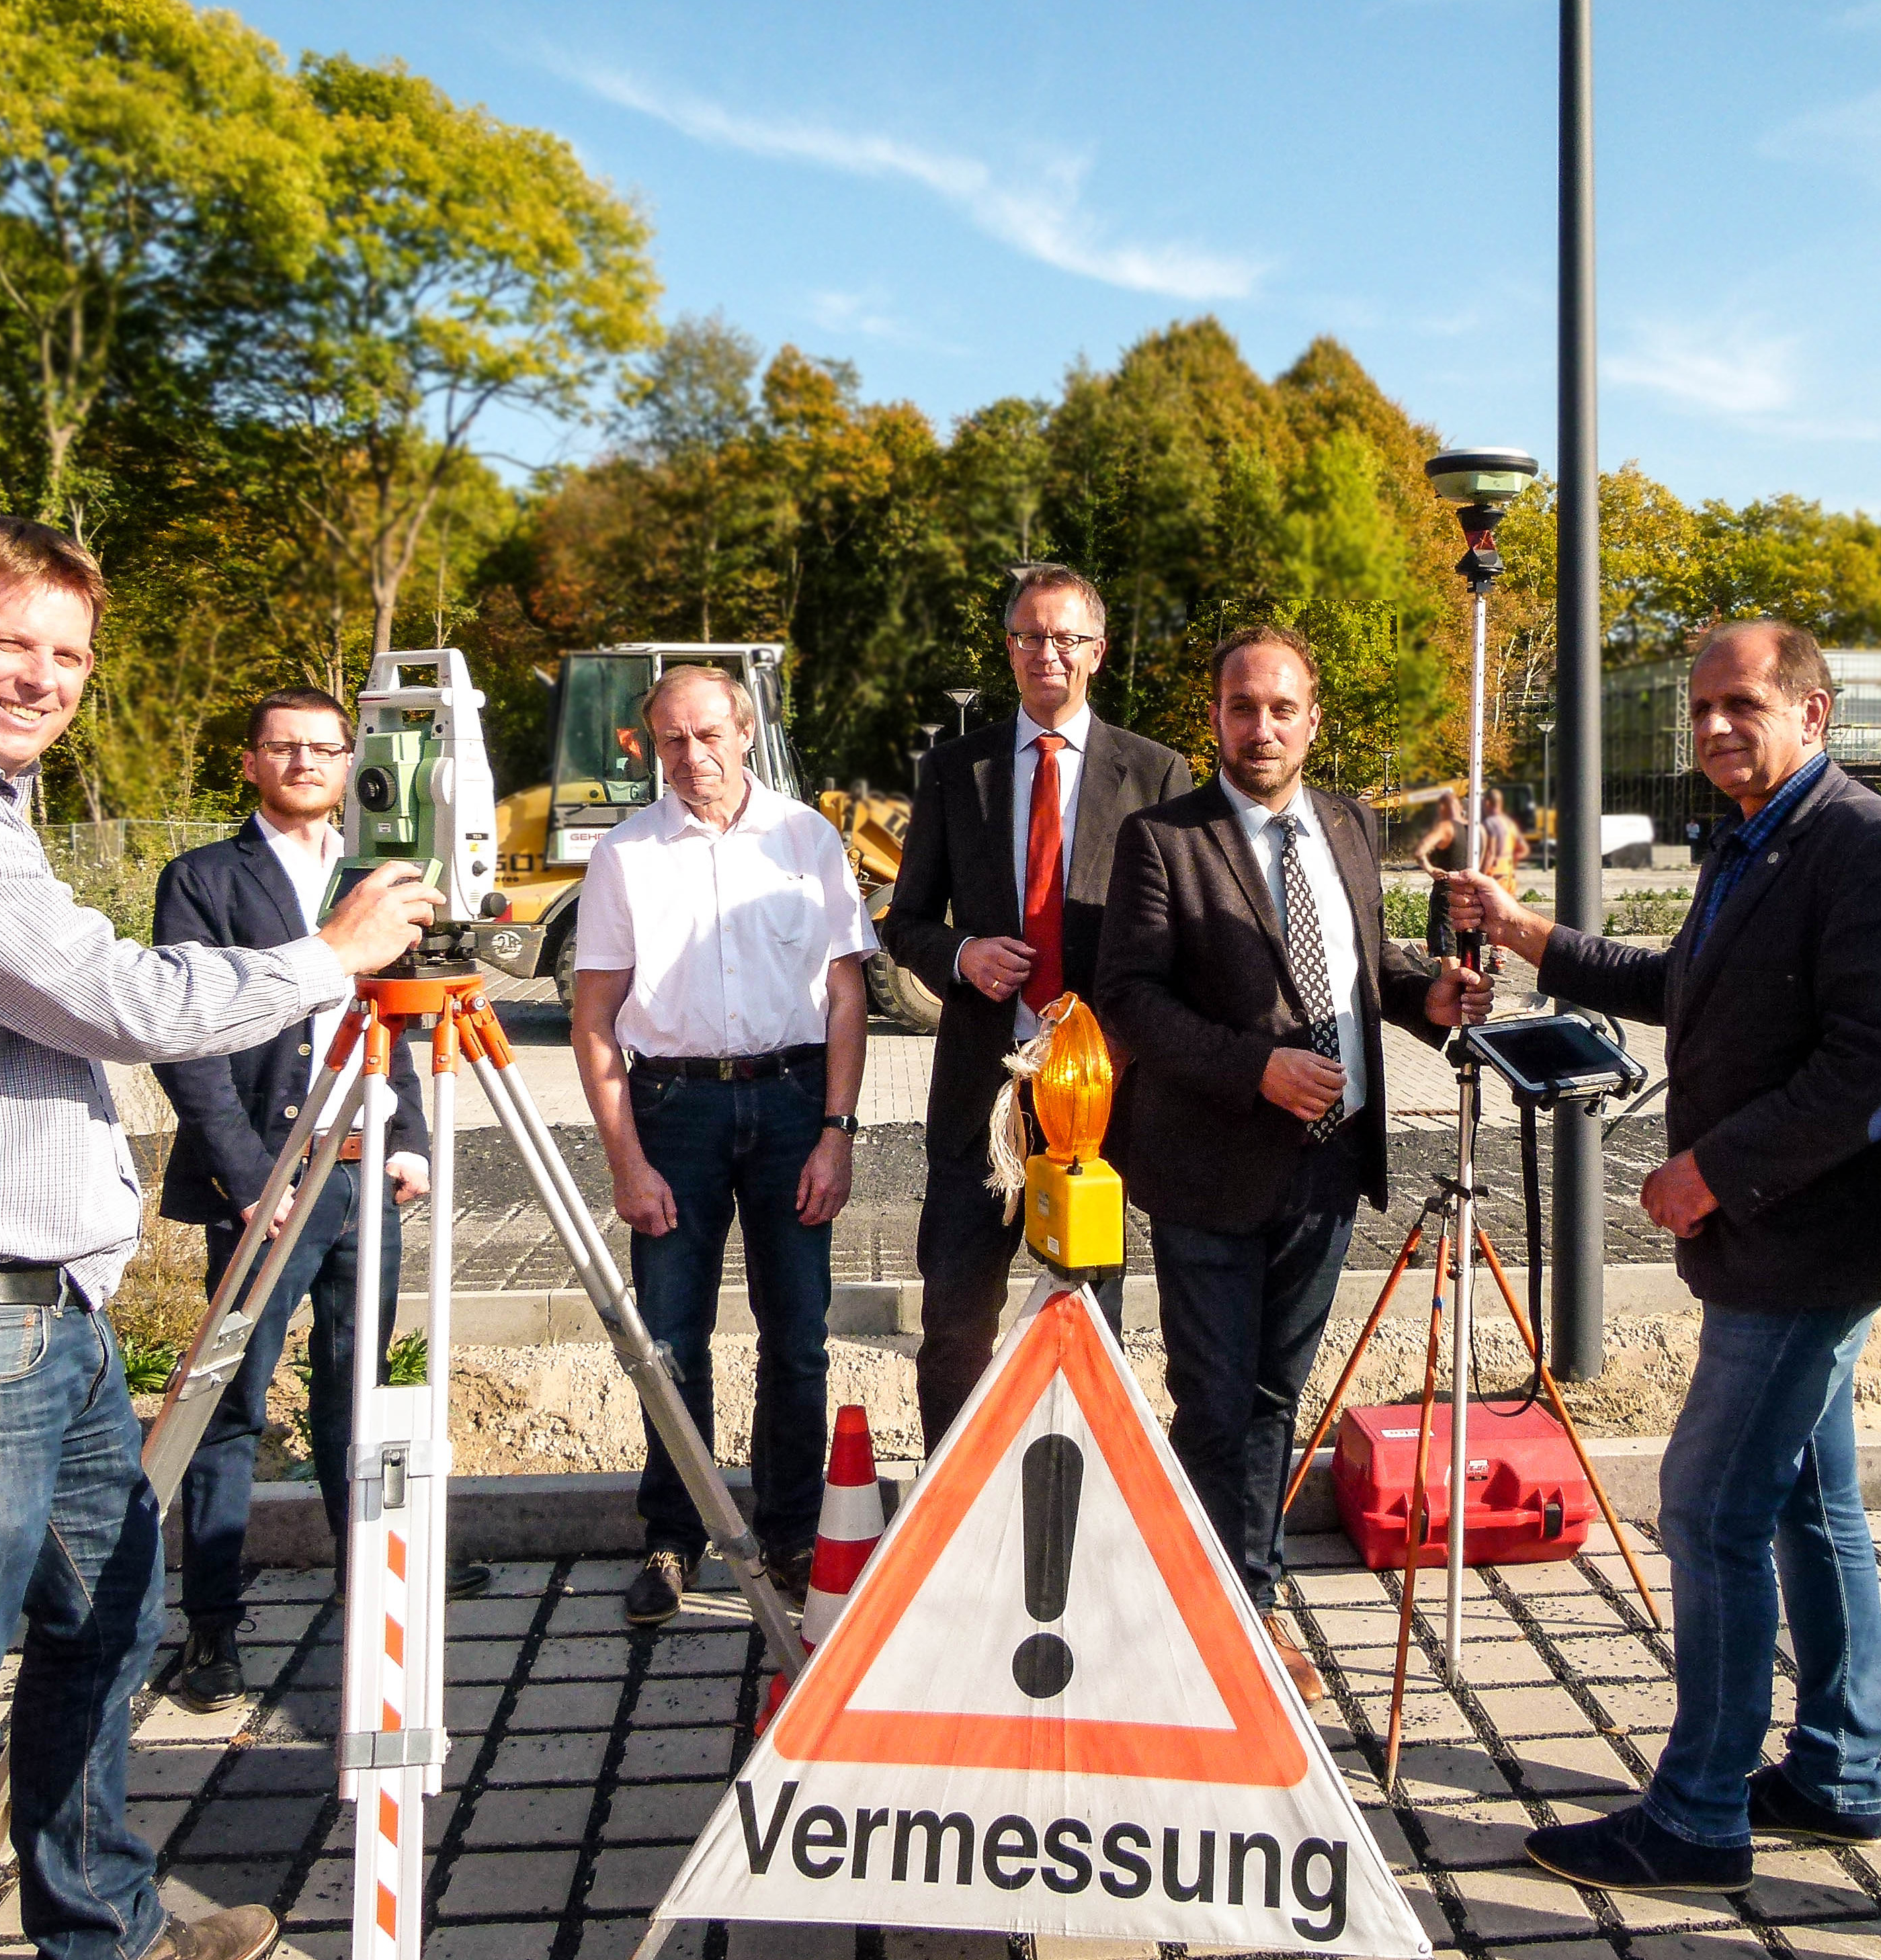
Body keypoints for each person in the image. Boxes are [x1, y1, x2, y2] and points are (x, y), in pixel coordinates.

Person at [0, 517, 438, 1960]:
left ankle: (103, 1926)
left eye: (68, 654)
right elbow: (116, 999)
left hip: (31, 1320)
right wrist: (332, 956)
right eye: (10, 641)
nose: (44, 677)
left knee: (108, 1616)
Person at [1448, 618, 1881, 1896]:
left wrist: (1712, 1169)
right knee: (1806, 1501)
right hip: (1774, 1239)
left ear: (1812, 712)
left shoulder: (1871, 848)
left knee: (1707, 1504)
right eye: (1698, 709)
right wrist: (1526, 934)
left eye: (1742, 703)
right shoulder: (1752, 836)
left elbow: (1880, 1062)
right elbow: (1690, 984)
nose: (1714, 727)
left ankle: (1695, 1814)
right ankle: (1836, 1771)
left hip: (1805, 1245)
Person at [1096, 625, 1491, 1702]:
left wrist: (1428, 999)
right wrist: (1255, 1069)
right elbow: (1129, 997)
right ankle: (1217, 1621)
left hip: (1327, 1169)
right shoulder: (1162, 840)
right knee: (1214, 1399)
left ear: (1311, 719)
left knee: (1275, 1394)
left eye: (1280, 708)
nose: (1260, 727)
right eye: (1241, 708)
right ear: (1214, 719)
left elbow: (1366, 967)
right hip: (1207, 1166)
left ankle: (1248, 1597)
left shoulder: (1349, 825)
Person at [151, 687, 493, 1711]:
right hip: (264, 1184)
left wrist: (412, 1136)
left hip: (362, 1173)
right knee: (231, 1405)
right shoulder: (204, 879)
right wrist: (247, 1178)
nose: (304, 762)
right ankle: (212, 1626)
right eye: (282, 747)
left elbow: (399, 1016)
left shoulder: (385, 875)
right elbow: (186, 1038)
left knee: (360, 1395)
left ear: (353, 763)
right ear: (250, 762)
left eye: (323, 748)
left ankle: (371, 1580)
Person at [570, 665, 878, 1628]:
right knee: (669, 1342)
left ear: (746, 731)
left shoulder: (807, 838)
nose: (692, 755)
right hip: (674, 1113)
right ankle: (673, 1535)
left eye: (708, 734)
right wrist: (626, 1162)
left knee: (798, 1337)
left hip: (791, 1106)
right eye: (671, 739)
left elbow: (845, 998)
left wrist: (835, 1133)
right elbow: (593, 1021)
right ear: (649, 746)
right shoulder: (623, 855)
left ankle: (789, 1534)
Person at [883, 564, 1192, 1450]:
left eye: (1063, 637)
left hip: (1099, 1097)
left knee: (1092, 1318)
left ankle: (1084, 1492)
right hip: (980, 1094)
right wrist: (961, 954)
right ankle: (952, 1496)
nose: (1043, 652)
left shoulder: (1155, 772)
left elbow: (1179, 936)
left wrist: (1127, 1036)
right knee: (954, 1324)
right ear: (1009, 648)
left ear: (1097, 651)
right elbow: (904, 923)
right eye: (1026, 635)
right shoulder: (956, 770)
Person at [1413, 785, 1466, 954]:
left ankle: (1447, 969)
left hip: (1447, 891)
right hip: (1468, 893)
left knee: (1446, 947)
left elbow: (1419, 851)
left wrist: (1430, 869)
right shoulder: (1473, 829)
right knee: (1465, 946)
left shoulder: (1445, 827)